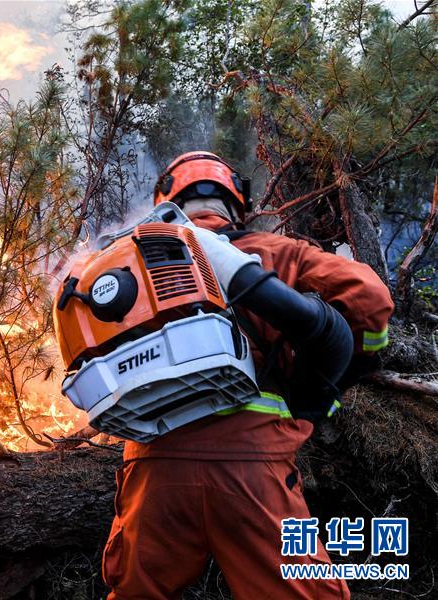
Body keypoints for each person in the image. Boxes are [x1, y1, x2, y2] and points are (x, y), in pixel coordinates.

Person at [101, 151, 393, 599]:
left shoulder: (125, 265)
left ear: (165, 200)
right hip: (253, 467)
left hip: (153, 468)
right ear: (237, 203)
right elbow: (371, 300)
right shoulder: (278, 253)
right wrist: (344, 370)